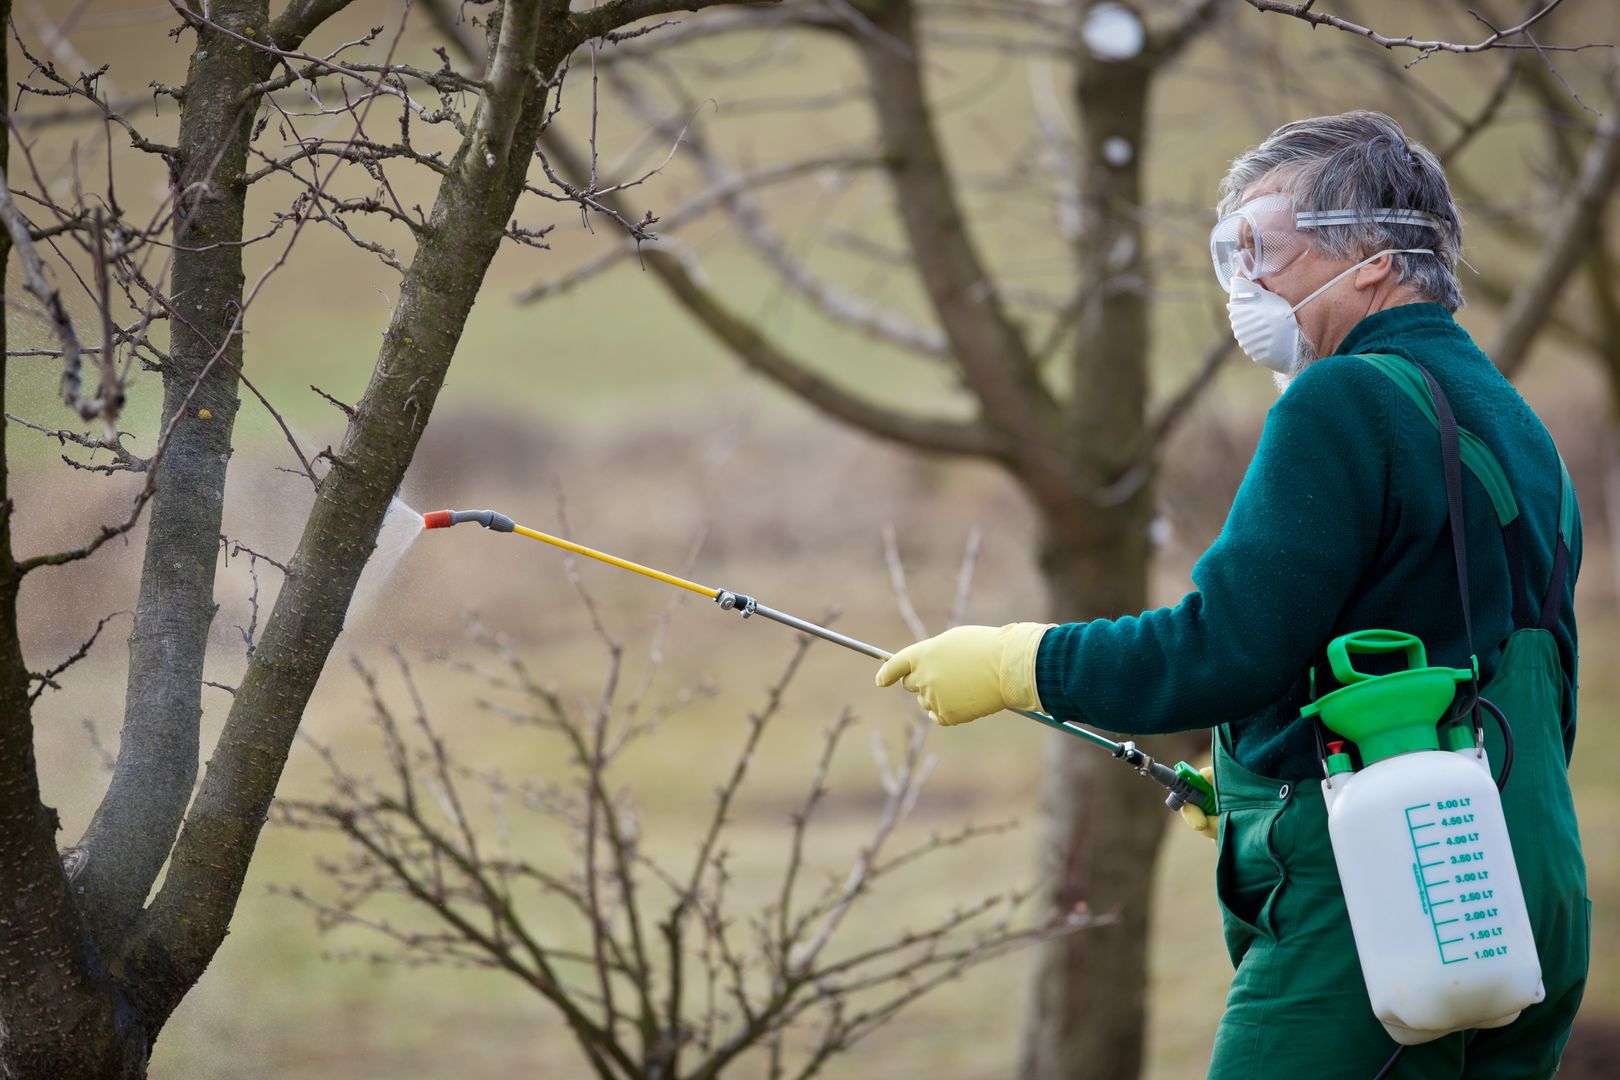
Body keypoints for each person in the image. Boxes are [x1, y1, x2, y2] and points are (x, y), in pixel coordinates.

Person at [874, 111, 1589, 1079]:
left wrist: (1019, 663)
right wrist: (1271, 765)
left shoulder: (1343, 402)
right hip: (1528, 886)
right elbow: (1449, 645)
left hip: (1389, 894)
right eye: (1233, 251)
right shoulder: (1506, 415)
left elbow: (1220, 650)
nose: (1245, 282)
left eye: (1266, 248)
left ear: (1374, 259)